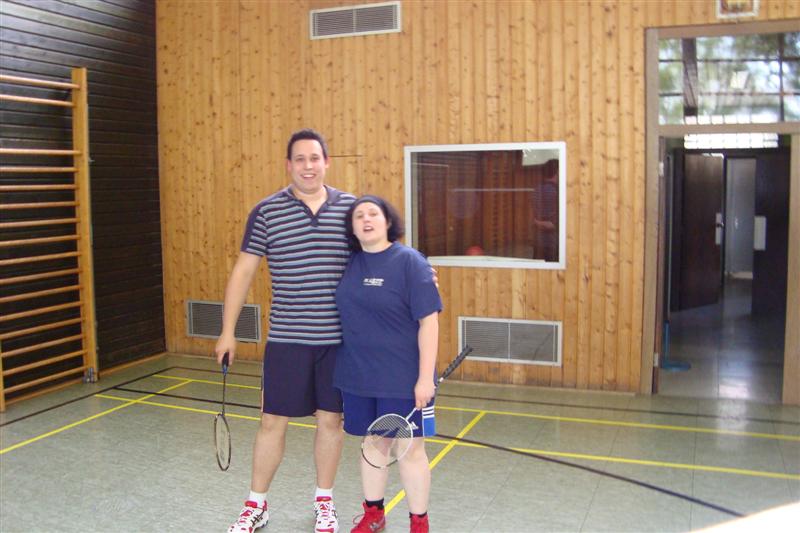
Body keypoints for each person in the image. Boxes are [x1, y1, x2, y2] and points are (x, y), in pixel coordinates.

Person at [216, 128, 355, 533]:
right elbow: (244, 271)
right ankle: (256, 505)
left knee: (331, 422)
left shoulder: (350, 209)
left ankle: (324, 501)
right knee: (272, 422)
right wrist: (227, 331)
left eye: (315, 158)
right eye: (300, 159)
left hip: (338, 343)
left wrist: (419, 273)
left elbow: (382, 255)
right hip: (287, 340)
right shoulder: (267, 212)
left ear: (326, 162)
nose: (308, 166)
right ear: (288, 165)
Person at [333, 195, 442, 533]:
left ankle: (419, 521)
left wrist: (425, 378)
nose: (366, 220)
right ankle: (374, 514)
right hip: (359, 374)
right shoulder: (348, 263)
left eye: (373, 214)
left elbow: (429, 322)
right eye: (359, 216)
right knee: (373, 443)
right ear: (352, 228)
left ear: (388, 222)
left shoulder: (411, 262)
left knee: (409, 450)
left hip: (403, 377)